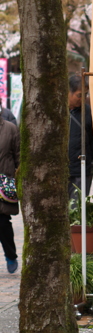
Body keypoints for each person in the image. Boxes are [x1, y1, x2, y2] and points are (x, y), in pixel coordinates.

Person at [68, 74, 93, 201]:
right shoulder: (57, 112)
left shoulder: (88, 112)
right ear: (68, 92)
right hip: (60, 171)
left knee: (76, 211)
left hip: (82, 170)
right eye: (79, 95)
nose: (83, 99)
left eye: (85, 95)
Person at [0, 113, 20, 273]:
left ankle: (10, 255)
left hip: (3, 183)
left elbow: (18, 155)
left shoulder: (10, 128)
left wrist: (18, 178)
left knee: (2, 222)